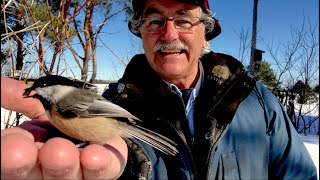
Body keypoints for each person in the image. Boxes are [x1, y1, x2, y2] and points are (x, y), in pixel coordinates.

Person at [1, 0, 317, 179]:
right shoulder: (116, 100)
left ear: (206, 34)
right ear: (141, 34)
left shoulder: (258, 103)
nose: (168, 33)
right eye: (154, 20)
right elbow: (110, 147)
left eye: (183, 20)